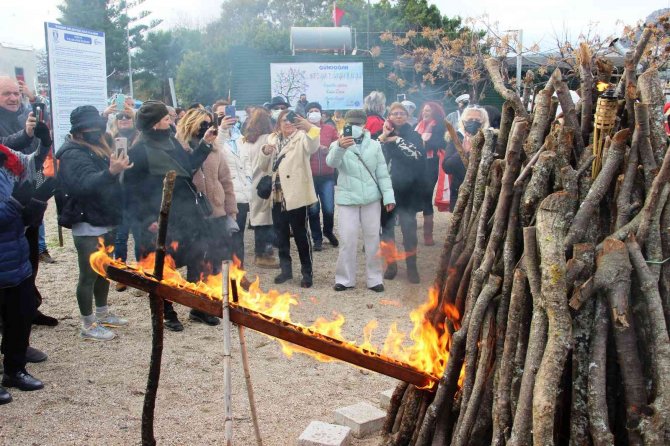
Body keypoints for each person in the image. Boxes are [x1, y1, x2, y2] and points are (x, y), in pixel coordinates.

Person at [124, 101, 216, 332]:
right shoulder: (138, 151)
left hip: (186, 213)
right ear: (155, 124)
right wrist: (147, 221)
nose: (171, 121)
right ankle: (167, 312)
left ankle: (197, 305)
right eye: (167, 119)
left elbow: (187, 167)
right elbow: (131, 192)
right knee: (164, 266)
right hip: (159, 219)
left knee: (198, 257)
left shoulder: (171, 140)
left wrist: (205, 144)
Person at [56, 106, 131, 341]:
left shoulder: (96, 145)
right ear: (78, 131)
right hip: (86, 220)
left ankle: (103, 312)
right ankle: (87, 324)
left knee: (103, 271)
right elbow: (84, 185)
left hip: (105, 216)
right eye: (90, 128)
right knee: (88, 274)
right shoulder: (71, 153)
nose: (96, 131)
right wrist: (111, 173)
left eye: (97, 127)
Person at [0, 76, 58, 329]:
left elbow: (33, 159)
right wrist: (25, 134)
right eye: (6, 94)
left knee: (31, 253)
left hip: (28, 184)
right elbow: (5, 148)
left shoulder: (27, 111)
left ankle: (30, 306)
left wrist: (44, 141)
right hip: (6, 196)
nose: (13, 98)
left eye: (16, 93)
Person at [176, 108, 237, 325]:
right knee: (195, 261)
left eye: (208, 122)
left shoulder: (215, 149)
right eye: (201, 123)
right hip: (193, 214)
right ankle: (197, 307)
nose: (205, 127)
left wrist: (231, 209)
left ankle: (209, 303)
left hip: (216, 210)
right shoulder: (179, 149)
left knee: (214, 260)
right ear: (190, 123)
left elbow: (226, 180)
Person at [326, 110, 395, 292]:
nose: (356, 127)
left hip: (371, 199)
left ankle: (374, 278)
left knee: (372, 239)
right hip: (347, 198)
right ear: (346, 124)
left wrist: (389, 197)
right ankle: (344, 278)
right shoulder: (338, 143)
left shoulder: (374, 145)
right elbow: (331, 163)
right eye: (352, 123)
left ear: (365, 124)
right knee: (347, 240)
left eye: (359, 123)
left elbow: (382, 172)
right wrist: (340, 147)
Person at [0, 146, 48, 403]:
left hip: (16, 256)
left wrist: (37, 202)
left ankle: (15, 370)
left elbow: (35, 171)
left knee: (19, 316)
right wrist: (16, 203)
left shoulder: (6, 160)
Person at [258, 110, 320, 288]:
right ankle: (286, 270)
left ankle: (307, 272)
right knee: (281, 234)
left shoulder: (302, 137)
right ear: (278, 122)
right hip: (276, 194)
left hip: (296, 193)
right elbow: (263, 166)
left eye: (291, 120)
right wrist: (264, 152)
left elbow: (313, 146)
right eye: (284, 120)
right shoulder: (271, 139)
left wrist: (309, 127)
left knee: (300, 234)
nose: (288, 123)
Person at [378, 102, 425, 283]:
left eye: (401, 113)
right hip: (387, 190)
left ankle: (411, 266)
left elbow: (416, 155)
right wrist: (384, 136)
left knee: (409, 230)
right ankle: (391, 264)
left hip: (407, 189)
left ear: (407, 116)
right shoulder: (382, 136)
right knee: (387, 229)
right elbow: (374, 154)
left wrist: (397, 140)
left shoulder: (414, 135)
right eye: (394, 113)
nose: (398, 116)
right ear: (389, 116)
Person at [212, 102, 251, 267]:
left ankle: (238, 272)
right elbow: (215, 151)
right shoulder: (213, 135)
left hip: (241, 194)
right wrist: (222, 129)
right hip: (223, 194)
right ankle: (222, 275)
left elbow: (247, 160)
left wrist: (249, 180)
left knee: (238, 235)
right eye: (220, 114)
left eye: (227, 113)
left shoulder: (239, 136)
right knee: (223, 237)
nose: (225, 117)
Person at [241, 108, 279, 269]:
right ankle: (263, 254)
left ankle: (262, 253)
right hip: (267, 183)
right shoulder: (270, 139)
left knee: (258, 220)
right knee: (267, 220)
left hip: (253, 184)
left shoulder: (246, 140)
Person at [109, 111, 141, 291]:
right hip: (118, 195)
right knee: (120, 238)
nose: (124, 120)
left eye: (127, 117)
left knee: (139, 236)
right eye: (120, 117)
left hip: (136, 195)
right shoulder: (109, 139)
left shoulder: (140, 139)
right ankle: (122, 275)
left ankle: (140, 274)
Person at [305, 102, 340, 251]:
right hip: (309, 176)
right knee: (313, 210)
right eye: (311, 111)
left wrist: (329, 149)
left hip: (327, 175)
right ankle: (317, 239)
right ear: (307, 115)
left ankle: (328, 230)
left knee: (329, 208)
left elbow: (338, 145)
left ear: (321, 113)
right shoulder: (302, 131)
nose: (314, 113)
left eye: (316, 110)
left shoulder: (329, 129)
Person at [442, 106, 490, 210]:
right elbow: (447, 167)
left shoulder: (489, 139)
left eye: (477, 120)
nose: (474, 122)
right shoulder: (456, 138)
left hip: (483, 190)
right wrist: (463, 152)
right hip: (460, 188)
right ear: (463, 121)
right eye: (470, 119)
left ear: (483, 122)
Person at [415, 102, 446, 246]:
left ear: (434, 112)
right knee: (413, 195)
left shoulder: (439, 125)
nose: (425, 112)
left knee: (426, 196)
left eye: (428, 110)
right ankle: (410, 233)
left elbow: (440, 143)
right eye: (424, 110)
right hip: (416, 164)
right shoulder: (418, 125)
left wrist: (422, 143)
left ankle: (428, 235)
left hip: (431, 165)